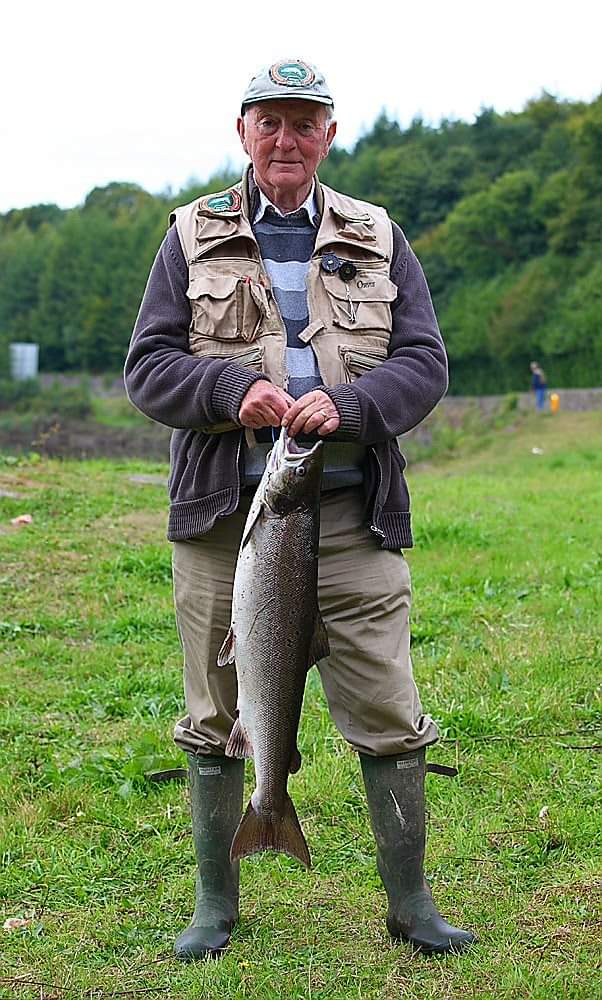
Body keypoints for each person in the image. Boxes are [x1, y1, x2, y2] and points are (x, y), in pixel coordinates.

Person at [125, 58, 475, 961]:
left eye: (303, 122)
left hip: (355, 524)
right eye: (268, 122)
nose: (286, 140)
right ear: (242, 131)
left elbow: (425, 362)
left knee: (391, 713)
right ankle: (216, 903)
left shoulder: (377, 233)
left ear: (329, 132)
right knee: (216, 712)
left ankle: (411, 906)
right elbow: (150, 367)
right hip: (224, 530)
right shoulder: (189, 234)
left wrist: (353, 408)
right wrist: (227, 390)